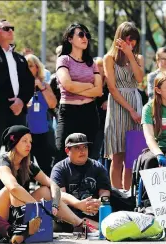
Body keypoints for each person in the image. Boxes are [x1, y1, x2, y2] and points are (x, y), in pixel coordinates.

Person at [0, 125, 97, 240]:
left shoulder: (27, 164)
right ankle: (20, 229)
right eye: (24, 141)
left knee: (45, 190)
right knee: (12, 190)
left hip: (15, 213)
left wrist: (54, 204)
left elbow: (52, 184)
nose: (29, 144)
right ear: (13, 142)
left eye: (30, 141)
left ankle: (78, 224)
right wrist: (39, 208)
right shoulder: (2, 162)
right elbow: (13, 187)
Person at [103, 21, 144, 190]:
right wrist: (130, 110)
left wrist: (130, 55)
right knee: (117, 156)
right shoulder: (109, 58)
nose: (131, 43)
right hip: (119, 105)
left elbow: (140, 79)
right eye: (128, 39)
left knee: (132, 156)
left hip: (135, 99)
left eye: (134, 40)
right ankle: (117, 195)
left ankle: (128, 194)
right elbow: (112, 88)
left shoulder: (138, 57)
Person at [54, 23, 102, 164]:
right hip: (68, 112)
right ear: (70, 38)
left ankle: (86, 185)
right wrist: (88, 86)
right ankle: (59, 186)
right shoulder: (63, 59)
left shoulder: (91, 63)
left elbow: (99, 90)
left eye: (87, 35)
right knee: (61, 154)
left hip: (89, 112)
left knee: (89, 156)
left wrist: (77, 87)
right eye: (80, 34)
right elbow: (67, 85)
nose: (85, 38)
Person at [0, 19, 34, 157]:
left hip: (19, 112)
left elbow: (29, 82)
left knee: (20, 150)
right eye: (6, 28)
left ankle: (19, 179)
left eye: (12, 28)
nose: (11, 31)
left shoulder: (19, 58)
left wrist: (21, 101)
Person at [51, 133, 111, 229]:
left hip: (94, 210)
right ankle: (99, 227)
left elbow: (105, 191)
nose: (82, 151)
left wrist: (99, 202)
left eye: (85, 147)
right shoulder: (59, 168)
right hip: (71, 212)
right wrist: (78, 204)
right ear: (67, 150)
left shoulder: (97, 166)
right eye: (77, 148)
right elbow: (60, 194)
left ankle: (97, 226)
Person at [25, 54, 57, 177]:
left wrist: (41, 88)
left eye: (30, 66)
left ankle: (49, 193)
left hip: (41, 131)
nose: (27, 69)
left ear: (37, 68)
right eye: (25, 66)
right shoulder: (19, 86)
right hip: (24, 132)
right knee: (24, 167)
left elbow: (53, 104)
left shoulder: (45, 86)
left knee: (46, 165)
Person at [91, 57, 109, 162]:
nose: (99, 68)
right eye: (96, 66)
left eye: (101, 66)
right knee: (94, 152)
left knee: (103, 152)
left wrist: (108, 101)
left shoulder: (109, 84)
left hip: (105, 122)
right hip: (92, 121)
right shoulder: (89, 82)